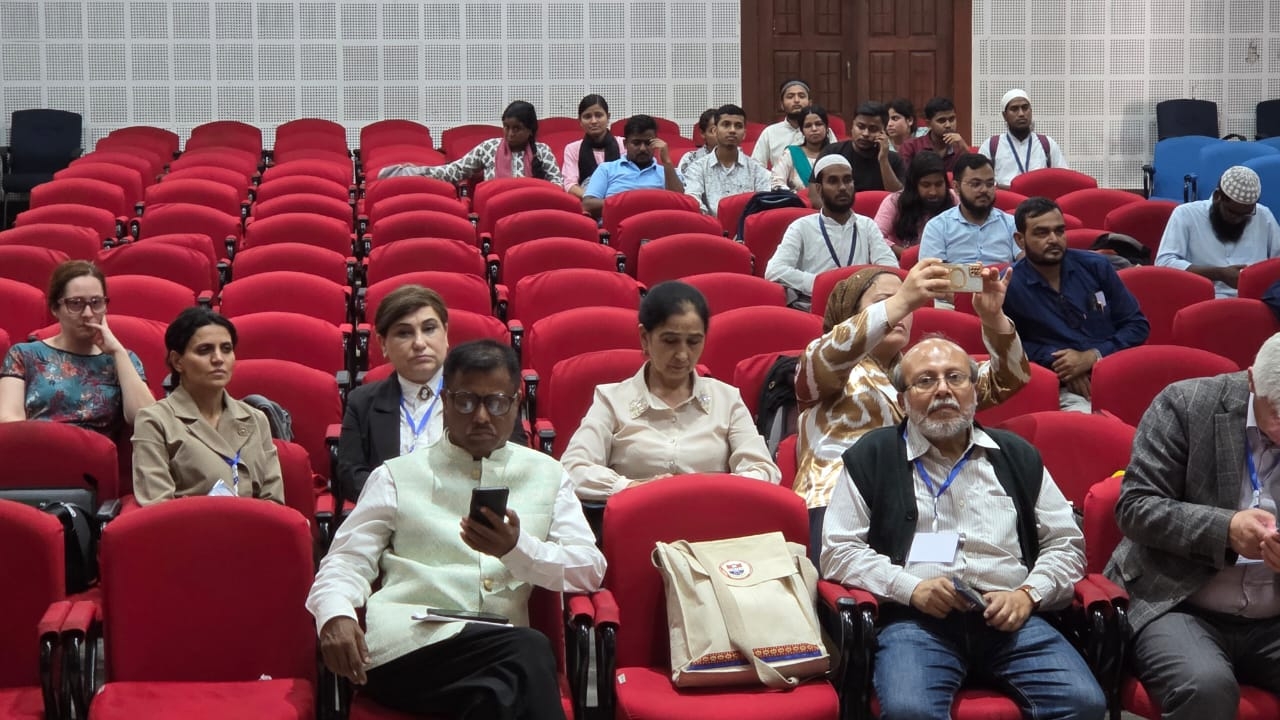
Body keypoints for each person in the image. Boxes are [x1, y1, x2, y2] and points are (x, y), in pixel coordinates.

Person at [309, 339, 605, 719]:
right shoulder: (396, 476)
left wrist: (518, 550)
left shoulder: (547, 474)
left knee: (496, 694)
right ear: (444, 402)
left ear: (517, 404)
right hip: (408, 647)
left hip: (500, 654)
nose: (481, 416)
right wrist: (335, 614)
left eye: (496, 403)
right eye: (466, 402)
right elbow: (346, 560)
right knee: (529, 654)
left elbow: (589, 569)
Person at [822, 337, 1105, 720]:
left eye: (955, 377)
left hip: (1013, 619)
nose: (942, 389)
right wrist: (910, 588)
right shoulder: (872, 456)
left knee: (1083, 703)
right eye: (925, 381)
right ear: (903, 400)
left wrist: (1028, 594)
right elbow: (838, 551)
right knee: (910, 711)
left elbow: (1066, 544)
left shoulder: (1017, 456)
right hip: (916, 623)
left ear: (974, 390)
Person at [795, 261, 1030, 557]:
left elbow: (1009, 378)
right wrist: (904, 299)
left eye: (908, 304)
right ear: (851, 314)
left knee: (967, 560)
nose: (902, 311)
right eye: (886, 301)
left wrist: (993, 318)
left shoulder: (923, 375)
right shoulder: (826, 367)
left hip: (912, 513)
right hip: (836, 508)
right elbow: (822, 359)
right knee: (902, 571)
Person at [1106, 333, 1280, 719]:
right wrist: (1225, 529)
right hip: (1180, 601)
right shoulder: (1186, 404)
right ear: (1252, 381)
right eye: (1278, 416)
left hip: (1273, 614)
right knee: (1206, 688)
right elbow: (1136, 507)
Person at [561, 281, 780, 501]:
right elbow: (573, 468)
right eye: (670, 341)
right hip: (638, 514)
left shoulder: (727, 399)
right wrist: (633, 487)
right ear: (645, 338)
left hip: (712, 515)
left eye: (693, 342)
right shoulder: (611, 400)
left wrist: (710, 488)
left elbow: (764, 470)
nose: (682, 355)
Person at [337, 285, 527, 506]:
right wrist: (403, 503)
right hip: (392, 514)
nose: (419, 343)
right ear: (383, 344)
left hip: (469, 512)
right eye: (404, 333)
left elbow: (513, 458)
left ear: (445, 334)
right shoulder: (362, 402)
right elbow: (350, 474)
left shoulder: (486, 393)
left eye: (429, 329)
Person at [1003, 197, 1149, 412]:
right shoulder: (1009, 284)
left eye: (1059, 231)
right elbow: (1009, 346)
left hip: (1116, 370)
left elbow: (1137, 325)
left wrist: (1092, 356)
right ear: (1020, 240)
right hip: (1060, 385)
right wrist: (1061, 364)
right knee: (1091, 423)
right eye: (1042, 233)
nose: (1054, 239)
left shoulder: (1096, 267)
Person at [132, 307, 284, 505]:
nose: (218, 359)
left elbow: (274, 501)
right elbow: (158, 506)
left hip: (254, 524)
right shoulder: (154, 421)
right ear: (177, 361)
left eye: (226, 349)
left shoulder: (256, 418)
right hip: (189, 524)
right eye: (204, 350)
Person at [0, 260, 152, 436]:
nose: (88, 313)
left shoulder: (123, 359)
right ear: (55, 308)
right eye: (76, 303)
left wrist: (118, 351)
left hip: (97, 451)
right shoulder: (23, 355)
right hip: (37, 446)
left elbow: (146, 419)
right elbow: (9, 422)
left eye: (96, 303)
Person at [765, 155, 899, 308]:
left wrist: (859, 286)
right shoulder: (801, 227)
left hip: (859, 308)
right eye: (833, 181)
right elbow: (774, 271)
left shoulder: (867, 225)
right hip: (813, 306)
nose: (842, 187)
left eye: (847, 180)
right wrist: (822, 284)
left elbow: (891, 268)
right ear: (819, 189)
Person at [1156, 165, 1280, 298]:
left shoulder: (1263, 215)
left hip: (1255, 300)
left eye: (1245, 214)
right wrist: (1219, 274)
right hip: (1203, 299)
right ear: (1217, 197)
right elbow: (1164, 264)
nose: (1238, 219)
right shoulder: (1186, 214)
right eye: (1232, 212)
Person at [377, 100, 564, 187]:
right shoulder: (489, 147)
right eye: (506, 127)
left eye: (517, 129)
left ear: (530, 130)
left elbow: (558, 185)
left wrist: (528, 188)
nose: (510, 134)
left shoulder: (542, 151)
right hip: (498, 212)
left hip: (535, 211)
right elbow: (454, 171)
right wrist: (415, 172)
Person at [919, 153, 1020, 265]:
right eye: (976, 184)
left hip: (1004, 276)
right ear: (956, 187)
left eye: (990, 184)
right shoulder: (938, 227)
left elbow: (1026, 266)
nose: (984, 190)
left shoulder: (1011, 224)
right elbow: (932, 271)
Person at [581, 114, 683, 219]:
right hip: (616, 226)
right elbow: (588, 205)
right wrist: (633, 203)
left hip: (656, 225)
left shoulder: (668, 172)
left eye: (648, 143)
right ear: (625, 144)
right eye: (636, 143)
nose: (643, 148)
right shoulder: (606, 169)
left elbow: (680, 205)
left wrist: (667, 162)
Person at [683, 104, 772, 216]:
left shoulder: (756, 170)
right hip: (709, 225)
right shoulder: (697, 168)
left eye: (738, 126)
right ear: (715, 131)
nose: (732, 130)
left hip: (747, 225)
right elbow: (693, 202)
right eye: (726, 125)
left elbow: (766, 204)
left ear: (744, 134)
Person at [809, 101, 905, 205]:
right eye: (861, 127)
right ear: (852, 126)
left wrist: (883, 160)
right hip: (838, 213)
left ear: (884, 132)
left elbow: (898, 198)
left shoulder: (893, 159)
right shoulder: (832, 152)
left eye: (873, 129)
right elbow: (815, 194)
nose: (865, 134)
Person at [978, 89, 1069, 188]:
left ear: (1031, 111)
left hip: (1039, 196)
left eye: (1025, 108)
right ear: (1004, 116)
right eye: (1014, 109)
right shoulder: (990, 146)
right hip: (1004, 196)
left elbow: (1064, 178)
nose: (1021, 113)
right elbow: (980, 181)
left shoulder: (1047, 144)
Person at [875, 151, 957, 258]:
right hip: (902, 263)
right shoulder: (894, 201)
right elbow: (876, 238)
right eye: (926, 185)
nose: (933, 192)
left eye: (939, 184)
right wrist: (908, 255)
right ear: (914, 185)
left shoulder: (953, 198)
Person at [750, 79, 837, 169]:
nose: (796, 100)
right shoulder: (770, 132)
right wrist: (776, 176)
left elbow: (837, 162)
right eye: (790, 97)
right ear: (781, 104)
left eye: (801, 96)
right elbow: (756, 167)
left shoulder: (823, 132)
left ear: (810, 103)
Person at [560, 94, 624, 198]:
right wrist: (594, 198)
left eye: (599, 115)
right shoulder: (572, 149)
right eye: (587, 117)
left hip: (618, 199)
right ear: (580, 121)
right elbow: (570, 184)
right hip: (587, 201)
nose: (593, 121)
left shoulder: (624, 144)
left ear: (608, 117)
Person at [897, 96, 970, 174]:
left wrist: (965, 149)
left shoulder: (959, 148)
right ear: (928, 124)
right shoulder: (911, 147)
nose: (948, 125)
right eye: (941, 120)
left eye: (952, 119)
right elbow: (904, 177)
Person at [769, 105, 830, 192]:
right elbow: (777, 182)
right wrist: (797, 196)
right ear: (802, 131)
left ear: (827, 128)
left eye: (818, 124)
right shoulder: (791, 154)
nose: (814, 129)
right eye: (808, 126)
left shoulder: (835, 153)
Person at [677, 108, 717, 182]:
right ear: (702, 133)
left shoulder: (738, 158)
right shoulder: (690, 159)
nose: (720, 134)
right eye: (713, 130)